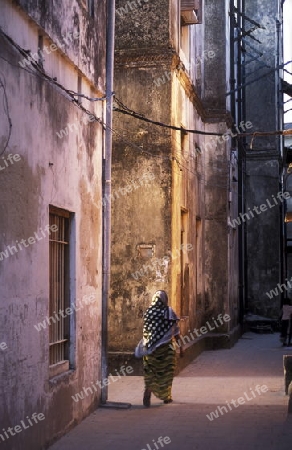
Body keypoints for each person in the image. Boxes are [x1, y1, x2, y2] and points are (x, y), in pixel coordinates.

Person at [135, 290, 183, 407]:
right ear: (165, 300)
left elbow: (146, 331)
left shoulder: (148, 313)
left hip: (150, 348)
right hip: (166, 349)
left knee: (151, 371)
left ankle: (149, 388)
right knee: (166, 372)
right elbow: (176, 332)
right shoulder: (168, 312)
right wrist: (181, 348)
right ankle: (166, 397)